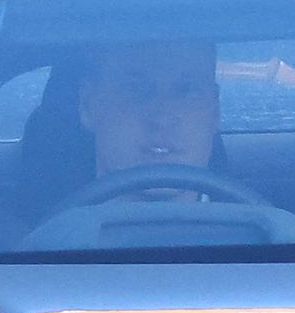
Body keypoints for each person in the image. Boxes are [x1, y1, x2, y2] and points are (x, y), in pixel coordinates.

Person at [77, 40, 221, 201]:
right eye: (135, 89)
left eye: (187, 90)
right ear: (88, 105)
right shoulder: (44, 224)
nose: (162, 119)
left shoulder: (253, 225)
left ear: (215, 111)